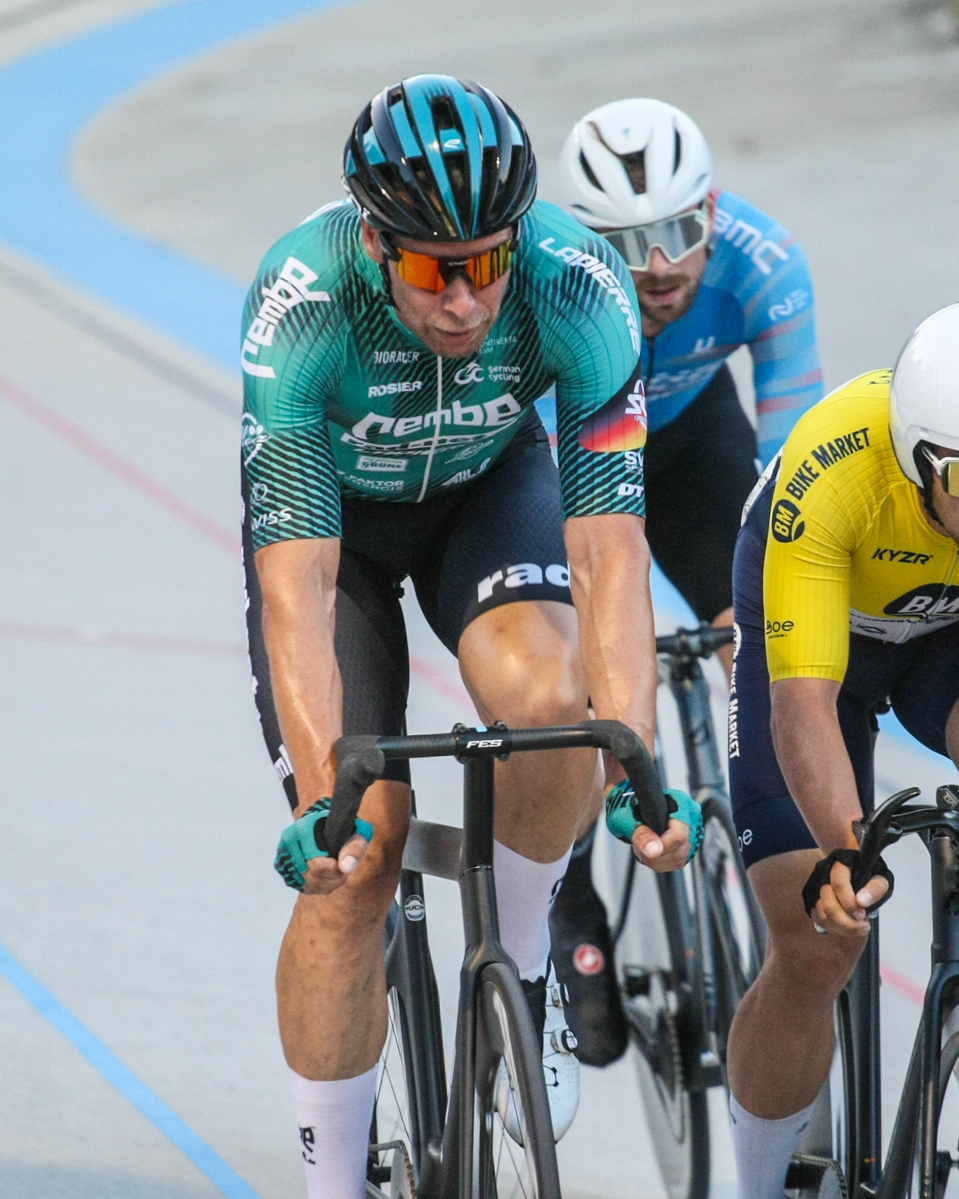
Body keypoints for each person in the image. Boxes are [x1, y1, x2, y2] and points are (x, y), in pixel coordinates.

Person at [240, 74, 697, 1199]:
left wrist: (631, 753)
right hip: (336, 527)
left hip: (484, 495)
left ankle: (526, 971)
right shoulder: (300, 301)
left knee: (557, 710)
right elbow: (296, 581)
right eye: (435, 269)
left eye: (488, 261)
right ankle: (332, 1180)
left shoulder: (577, 285)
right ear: (374, 240)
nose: (464, 298)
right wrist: (318, 800)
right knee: (356, 859)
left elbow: (608, 553)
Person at [548, 95, 824, 1067]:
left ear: (709, 211)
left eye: (676, 230)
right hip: (570, 453)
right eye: (626, 243)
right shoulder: (550, 288)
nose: (658, 265)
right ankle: (566, 882)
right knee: (574, 674)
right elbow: (581, 534)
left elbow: (793, 476)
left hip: (689, 444)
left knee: (765, 627)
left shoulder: (762, 260)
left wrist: (757, 618)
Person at [724, 305, 959, 1199]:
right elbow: (803, 703)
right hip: (822, 648)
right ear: (916, 460)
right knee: (816, 936)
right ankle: (754, 1183)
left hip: (943, 640)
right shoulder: (836, 469)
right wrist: (844, 852)